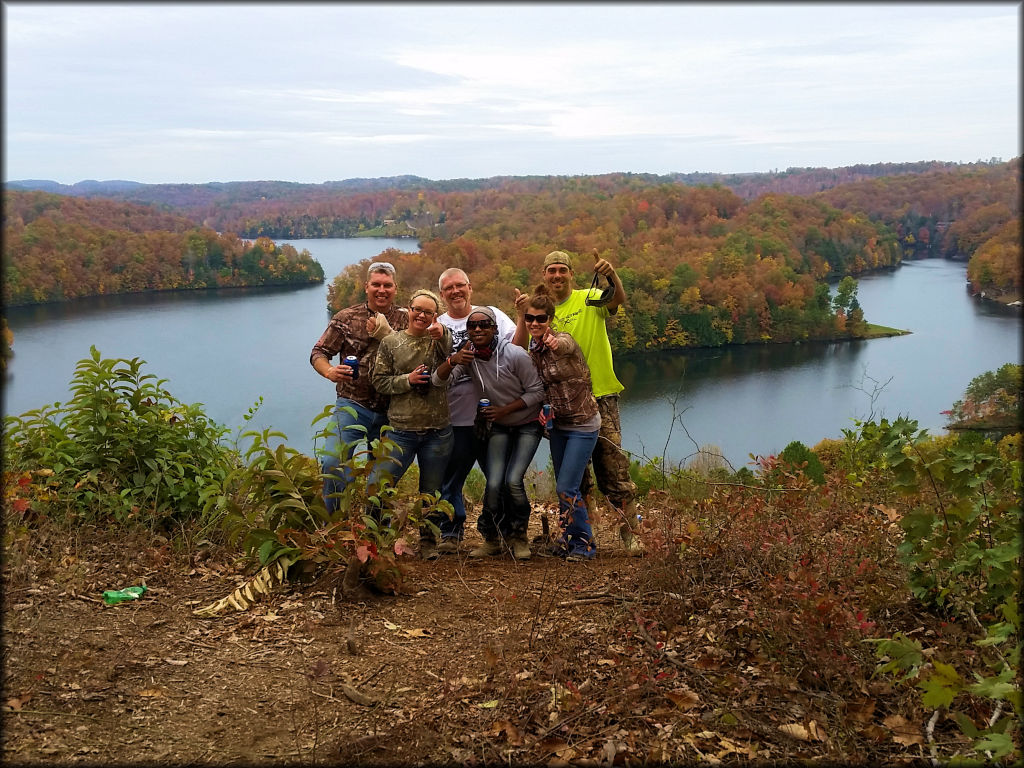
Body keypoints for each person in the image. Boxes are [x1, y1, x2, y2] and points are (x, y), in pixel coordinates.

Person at [514, 249, 643, 554]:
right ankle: (581, 536)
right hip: (562, 407)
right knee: (574, 479)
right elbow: (518, 350)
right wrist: (521, 314)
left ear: (571, 274)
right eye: (551, 270)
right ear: (544, 274)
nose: (557, 275)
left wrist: (612, 275)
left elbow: (617, 300)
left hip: (601, 398)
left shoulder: (589, 297)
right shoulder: (538, 311)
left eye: (562, 270)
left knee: (614, 472)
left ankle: (631, 533)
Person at [437, 307, 545, 560]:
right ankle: (492, 538)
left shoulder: (515, 355)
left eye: (484, 325)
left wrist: (504, 410)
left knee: (513, 480)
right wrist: (452, 360)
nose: (477, 330)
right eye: (472, 326)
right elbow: (439, 381)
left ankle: (519, 537)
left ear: (495, 328)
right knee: (494, 482)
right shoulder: (469, 357)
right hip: (499, 427)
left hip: (526, 424)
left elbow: (537, 392)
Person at [310, 261, 408, 515]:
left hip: (392, 410)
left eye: (387, 285)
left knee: (383, 475)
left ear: (395, 288)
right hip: (353, 406)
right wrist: (329, 371)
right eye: (376, 284)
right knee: (333, 462)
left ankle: (375, 530)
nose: (382, 290)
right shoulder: (346, 317)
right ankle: (334, 524)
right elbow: (319, 352)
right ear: (366, 287)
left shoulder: (407, 319)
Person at [435, 268, 518, 552]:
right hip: (454, 418)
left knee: (499, 478)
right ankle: (450, 532)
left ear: (470, 288)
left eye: (460, 285)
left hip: (491, 416)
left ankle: (501, 532)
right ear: (442, 294)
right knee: (451, 479)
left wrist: (524, 318)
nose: (456, 291)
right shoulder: (437, 324)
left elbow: (515, 348)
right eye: (449, 288)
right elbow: (434, 372)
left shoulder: (491, 314)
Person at [368, 289, 454, 560]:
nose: (421, 315)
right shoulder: (391, 343)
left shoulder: (440, 339)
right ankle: (376, 539)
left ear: (435, 316)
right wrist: (408, 380)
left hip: (437, 430)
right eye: (418, 309)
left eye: (428, 312)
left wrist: (441, 334)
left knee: (431, 493)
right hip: (400, 430)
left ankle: (428, 542)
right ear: (409, 309)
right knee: (378, 487)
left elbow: (451, 352)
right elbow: (379, 381)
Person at [523, 287, 601, 561]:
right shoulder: (533, 348)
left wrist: (555, 342)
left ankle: (585, 545)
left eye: (541, 319)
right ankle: (569, 539)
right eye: (529, 318)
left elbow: (566, 343)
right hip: (558, 426)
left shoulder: (563, 340)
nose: (535, 323)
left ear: (550, 319)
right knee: (568, 486)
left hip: (583, 423)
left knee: (566, 488)